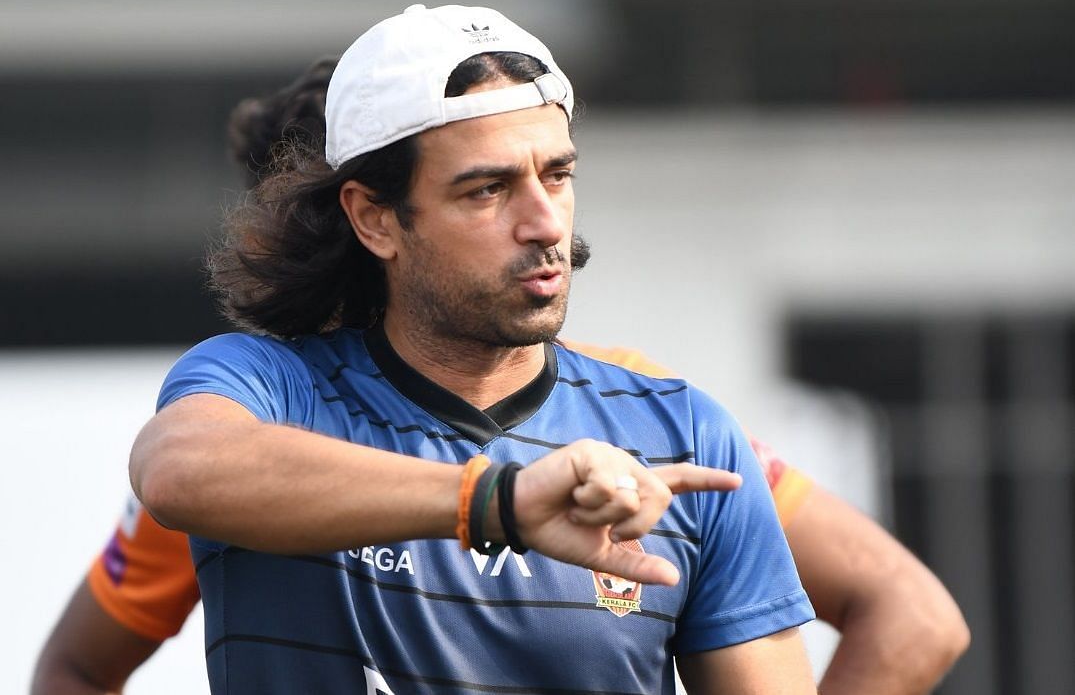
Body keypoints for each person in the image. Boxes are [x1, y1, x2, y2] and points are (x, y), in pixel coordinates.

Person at [32, 48, 969, 693]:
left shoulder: (660, 422)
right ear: (370, 219)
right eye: (481, 187)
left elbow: (914, 612)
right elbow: (170, 498)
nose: (540, 220)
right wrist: (500, 499)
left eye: (551, 176)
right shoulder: (254, 422)